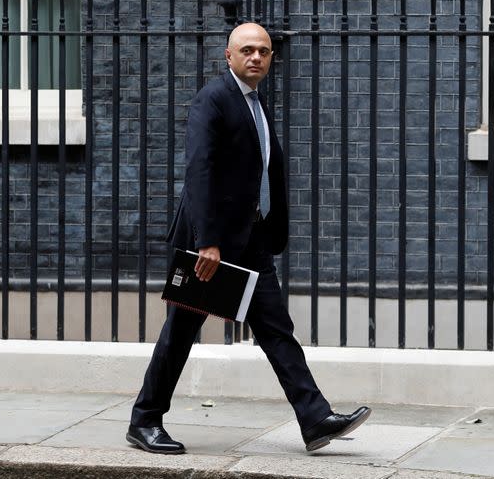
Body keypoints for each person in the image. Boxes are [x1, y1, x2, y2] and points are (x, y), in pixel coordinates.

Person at [126, 22, 371, 454]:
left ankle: (315, 419)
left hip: (251, 239)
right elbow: (198, 172)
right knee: (180, 332)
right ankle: (144, 420)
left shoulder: (256, 103)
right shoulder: (214, 99)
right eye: (247, 51)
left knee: (277, 329)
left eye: (264, 51)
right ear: (229, 56)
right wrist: (207, 241)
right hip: (212, 246)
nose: (256, 57)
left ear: (271, 57)